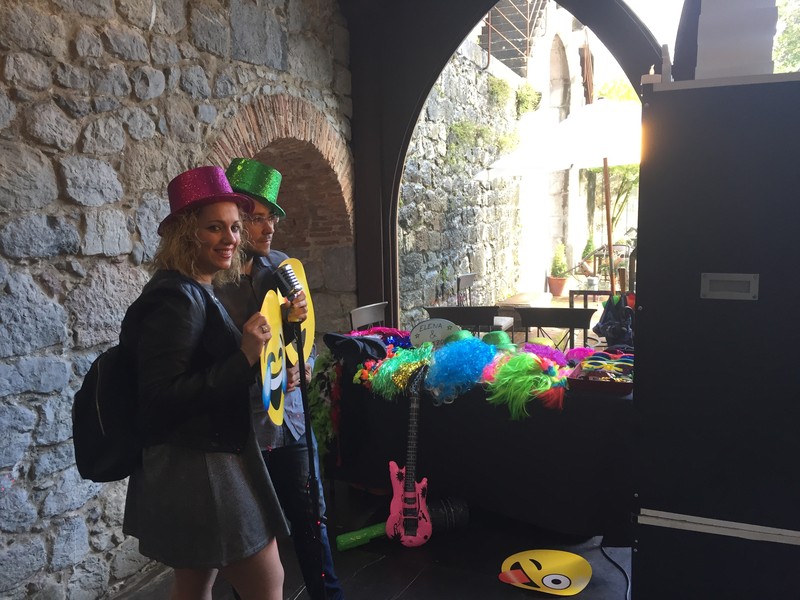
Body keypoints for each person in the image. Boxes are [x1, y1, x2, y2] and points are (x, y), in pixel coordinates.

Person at [120, 165, 290, 600]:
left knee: (195, 582)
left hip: (203, 456)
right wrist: (244, 356)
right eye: (214, 227)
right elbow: (160, 397)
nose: (230, 238)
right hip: (199, 466)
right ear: (185, 234)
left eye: (234, 227)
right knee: (267, 582)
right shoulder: (175, 298)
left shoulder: (195, 287)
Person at [215, 158, 345, 600]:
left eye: (272, 217)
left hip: (292, 419)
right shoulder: (212, 285)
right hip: (245, 430)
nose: (268, 227)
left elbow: (304, 337)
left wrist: (305, 363)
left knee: (312, 520)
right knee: (252, 538)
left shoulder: (284, 266)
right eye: (256, 217)